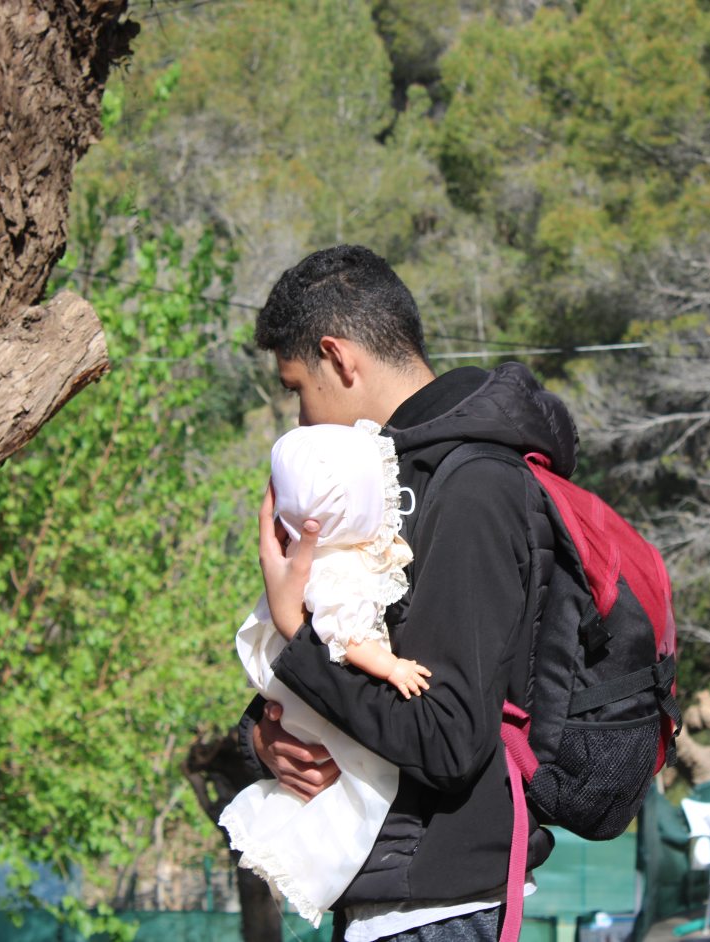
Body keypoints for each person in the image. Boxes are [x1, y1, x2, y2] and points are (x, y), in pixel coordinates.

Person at [241, 244, 578, 942]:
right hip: (386, 903)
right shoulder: (373, 485)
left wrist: (297, 636)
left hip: (440, 910)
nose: (301, 419)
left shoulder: (474, 488)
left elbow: (449, 740)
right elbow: (351, 664)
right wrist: (264, 738)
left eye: (298, 389)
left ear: (339, 359)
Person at [220, 419, 431, 926]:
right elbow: (347, 636)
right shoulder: (338, 570)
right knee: (361, 779)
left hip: (298, 686)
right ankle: (315, 858)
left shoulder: (314, 559)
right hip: (318, 689)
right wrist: (392, 666)